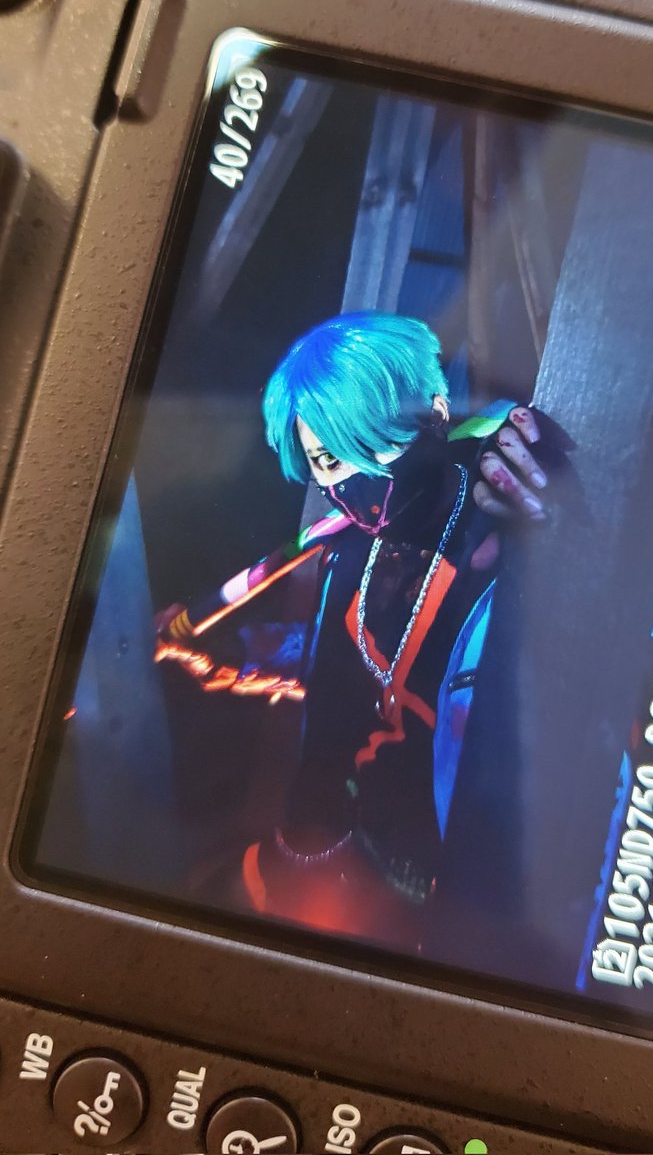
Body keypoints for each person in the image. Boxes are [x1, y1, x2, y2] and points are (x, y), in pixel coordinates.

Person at [156, 311, 551, 949]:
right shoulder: (349, 556)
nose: (350, 475)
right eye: (327, 459)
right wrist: (219, 650)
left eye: (371, 440)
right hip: (365, 854)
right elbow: (337, 675)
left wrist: (534, 470)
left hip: (487, 880)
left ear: (436, 412)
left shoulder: (493, 517)